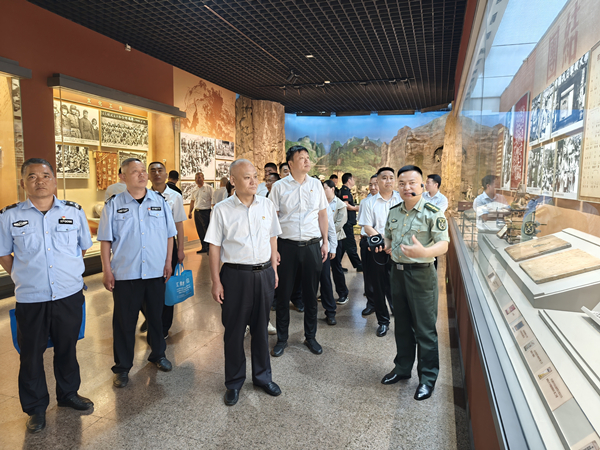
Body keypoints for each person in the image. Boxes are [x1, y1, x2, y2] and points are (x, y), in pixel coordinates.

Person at [0, 158, 94, 434]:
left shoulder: (74, 211)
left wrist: (68, 272)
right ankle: (35, 408)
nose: (39, 181)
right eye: (32, 176)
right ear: (23, 183)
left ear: (54, 180)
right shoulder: (9, 216)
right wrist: (22, 276)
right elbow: (4, 254)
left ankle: (68, 394)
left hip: (68, 294)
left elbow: (82, 247)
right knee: (31, 355)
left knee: (67, 348)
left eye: (45, 175)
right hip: (31, 298)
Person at [205, 159, 282, 406]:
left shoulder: (266, 204)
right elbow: (214, 247)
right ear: (233, 180)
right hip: (235, 276)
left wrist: (274, 270)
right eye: (247, 177)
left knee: (261, 329)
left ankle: (262, 377)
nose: (254, 181)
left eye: (255, 176)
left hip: (264, 274)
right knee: (235, 332)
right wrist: (215, 281)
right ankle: (234, 382)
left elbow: (272, 238)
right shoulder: (222, 209)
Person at [98, 158, 176, 389]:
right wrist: (106, 270)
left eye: (143, 171)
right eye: (135, 172)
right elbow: (105, 240)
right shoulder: (113, 204)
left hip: (154, 271)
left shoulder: (159, 201)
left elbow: (169, 234)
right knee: (124, 322)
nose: (142, 175)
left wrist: (168, 262)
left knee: (156, 317)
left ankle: (158, 354)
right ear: (123, 177)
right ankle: (122, 367)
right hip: (126, 274)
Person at [378, 165, 449, 401]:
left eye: (411, 183)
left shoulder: (432, 212)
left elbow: (444, 244)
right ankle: (402, 368)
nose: (406, 187)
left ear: (421, 185)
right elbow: (389, 236)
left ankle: (427, 378)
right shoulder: (394, 212)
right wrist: (384, 245)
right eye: (402, 183)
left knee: (425, 329)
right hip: (397, 273)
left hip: (421, 275)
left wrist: (424, 252)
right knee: (402, 325)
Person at [268, 146, 329, 357]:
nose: (306, 161)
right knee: (283, 295)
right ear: (290, 164)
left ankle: (310, 337)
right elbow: (272, 219)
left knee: (311, 294)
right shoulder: (279, 187)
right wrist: (273, 249)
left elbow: (322, 214)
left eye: (307, 157)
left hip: (312, 245)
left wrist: (325, 242)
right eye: (301, 158)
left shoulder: (316, 185)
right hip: (287, 246)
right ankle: (282, 339)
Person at [141, 161, 186, 338]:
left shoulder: (175, 196)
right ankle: (152, 318)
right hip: (148, 248)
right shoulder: (143, 195)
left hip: (169, 247)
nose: (157, 173)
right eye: (153, 170)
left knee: (167, 288)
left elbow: (179, 224)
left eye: (160, 170)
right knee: (146, 288)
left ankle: (164, 327)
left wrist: (180, 249)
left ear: (166, 174)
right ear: (148, 175)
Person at [358, 167, 400, 337]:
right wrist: (385, 242)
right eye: (384, 178)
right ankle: (383, 321)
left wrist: (393, 244)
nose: (388, 181)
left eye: (391, 177)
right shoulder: (369, 202)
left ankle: (402, 318)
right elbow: (368, 227)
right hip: (378, 248)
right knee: (379, 286)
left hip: (399, 249)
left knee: (398, 285)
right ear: (378, 181)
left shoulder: (402, 199)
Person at [319, 180, 347, 325]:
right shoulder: (311, 202)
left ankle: (332, 309)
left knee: (328, 276)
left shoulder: (337, 205)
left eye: (324, 188)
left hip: (327, 243)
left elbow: (333, 228)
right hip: (310, 246)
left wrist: (332, 247)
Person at [357, 174, 378, 315]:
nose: (373, 187)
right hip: (367, 241)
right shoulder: (365, 202)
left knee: (388, 275)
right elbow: (362, 223)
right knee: (369, 275)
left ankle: (392, 304)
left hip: (385, 242)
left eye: (376, 184)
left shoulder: (393, 201)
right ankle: (371, 303)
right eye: (370, 184)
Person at [338, 173, 363, 273]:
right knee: (351, 245)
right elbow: (346, 205)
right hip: (346, 223)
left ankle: (336, 264)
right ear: (349, 180)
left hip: (346, 222)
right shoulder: (345, 191)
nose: (354, 181)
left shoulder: (346, 191)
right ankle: (359, 265)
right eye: (353, 179)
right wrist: (357, 208)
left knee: (344, 245)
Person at [188, 172, 213, 254]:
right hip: (197, 212)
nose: (197, 179)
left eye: (199, 178)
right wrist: (190, 212)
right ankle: (203, 247)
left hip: (206, 211)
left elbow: (213, 200)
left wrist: (213, 211)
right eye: (196, 178)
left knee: (207, 230)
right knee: (200, 230)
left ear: (203, 178)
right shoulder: (194, 189)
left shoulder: (209, 188)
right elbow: (192, 201)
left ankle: (209, 248)